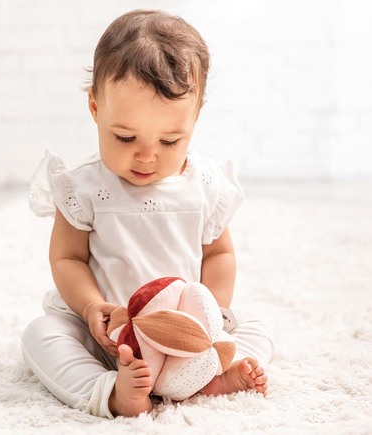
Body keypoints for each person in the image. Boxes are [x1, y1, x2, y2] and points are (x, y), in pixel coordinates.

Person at [22, 9, 273, 418]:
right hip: (110, 340)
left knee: (258, 325)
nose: (146, 156)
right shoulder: (82, 187)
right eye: (125, 137)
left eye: (171, 140)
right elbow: (66, 258)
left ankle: (208, 375)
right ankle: (110, 390)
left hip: (184, 339)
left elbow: (219, 255)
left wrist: (212, 318)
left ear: (196, 117)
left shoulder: (205, 186)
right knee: (41, 334)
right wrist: (89, 308)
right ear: (95, 107)